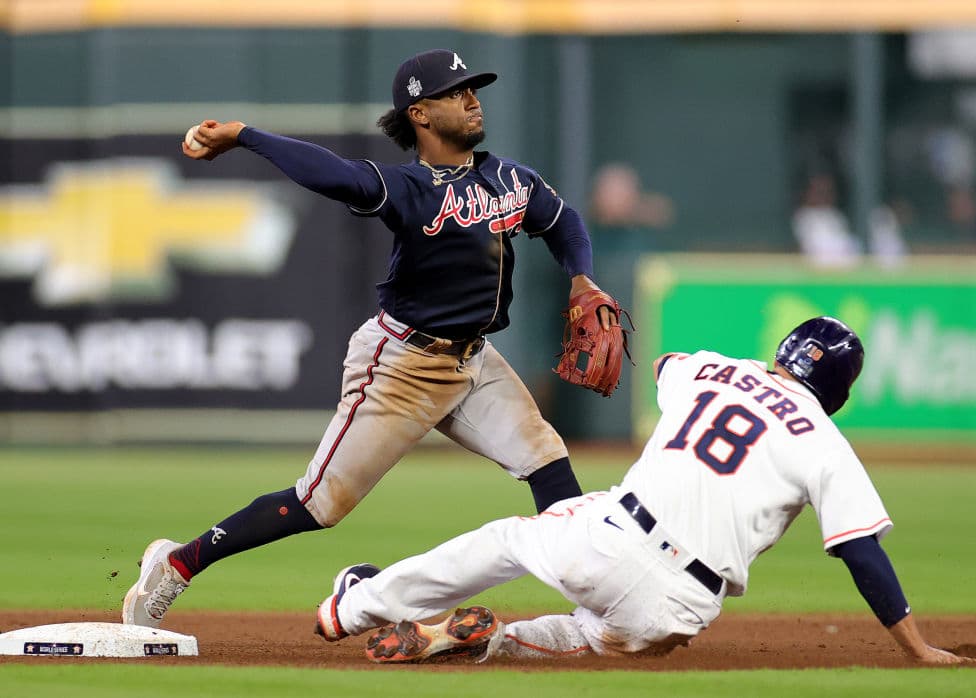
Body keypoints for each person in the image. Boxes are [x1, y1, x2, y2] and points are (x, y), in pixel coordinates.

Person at [122, 48, 622, 628]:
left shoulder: (509, 177)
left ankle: (594, 606)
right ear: (421, 114)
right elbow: (334, 174)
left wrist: (581, 277)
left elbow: (563, 223)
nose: (471, 98)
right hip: (402, 365)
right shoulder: (407, 187)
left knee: (548, 460)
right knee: (318, 504)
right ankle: (176, 564)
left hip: (475, 361)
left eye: (473, 88)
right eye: (455, 91)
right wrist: (243, 135)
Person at [313, 317, 976, 666]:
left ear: (782, 353)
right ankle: (489, 645)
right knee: (597, 638)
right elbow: (862, 552)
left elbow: (665, 365)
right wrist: (917, 650)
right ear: (839, 392)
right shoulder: (826, 443)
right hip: (682, 606)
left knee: (510, 541)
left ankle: (353, 608)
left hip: (610, 536)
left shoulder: (716, 371)